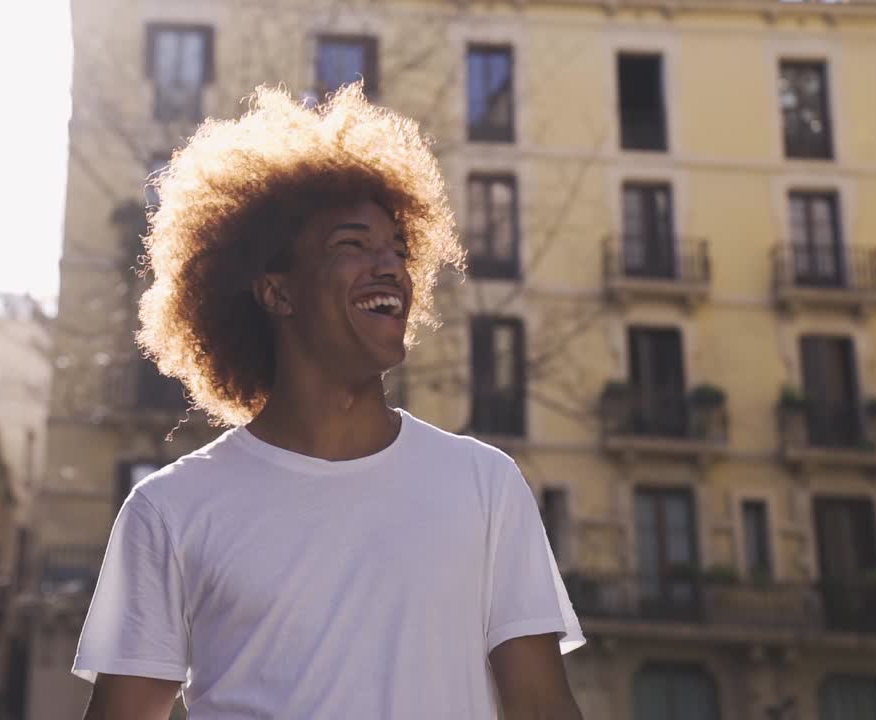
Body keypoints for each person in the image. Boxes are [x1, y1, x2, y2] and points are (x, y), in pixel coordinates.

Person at [74, 84, 585, 720]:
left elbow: (541, 705)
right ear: (277, 293)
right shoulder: (169, 509)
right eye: (352, 245)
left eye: (398, 249)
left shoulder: (486, 484)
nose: (390, 266)